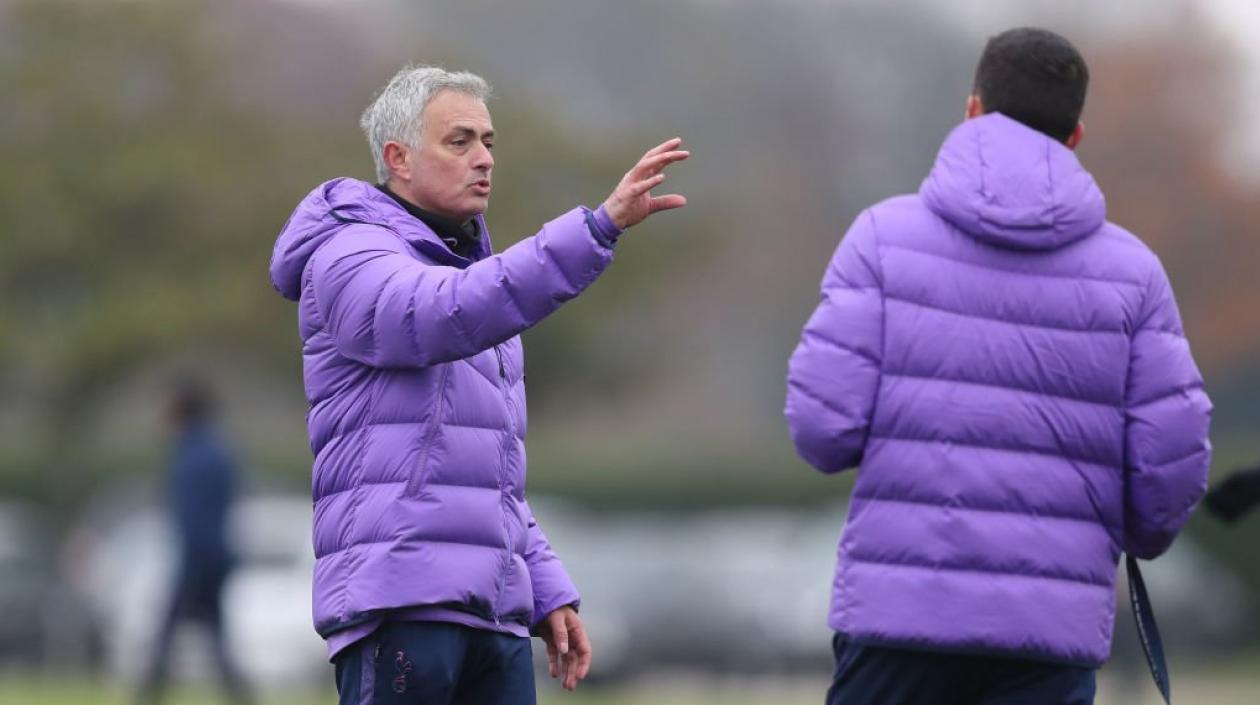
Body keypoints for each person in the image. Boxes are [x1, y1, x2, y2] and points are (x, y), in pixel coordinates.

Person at [784, 27, 1211, 705]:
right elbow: (1173, 462)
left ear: (973, 109)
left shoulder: (880, 239)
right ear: (1074, 138)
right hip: (1049, 638)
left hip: (898, 625)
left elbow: (820, 428)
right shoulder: (1135, 276)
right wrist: (1129, 531)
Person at [268, 66, 688, 705]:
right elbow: (436, 313)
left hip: (492, 616)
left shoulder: (473, 279)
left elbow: (489, 472)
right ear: (397, 158)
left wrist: (544, 587)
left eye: (488, 141)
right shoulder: (347, 253)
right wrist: (595, 229)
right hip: (402, 605)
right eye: (459, 141)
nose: (484, 159)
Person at [138, 379, 252, 705]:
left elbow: (193, 519)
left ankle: (146, 696)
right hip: (215, 557)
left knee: (166, 637)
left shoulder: (191, 456)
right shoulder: (219, 449)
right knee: (216, 639)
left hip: (197, 560)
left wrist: (193, 564)